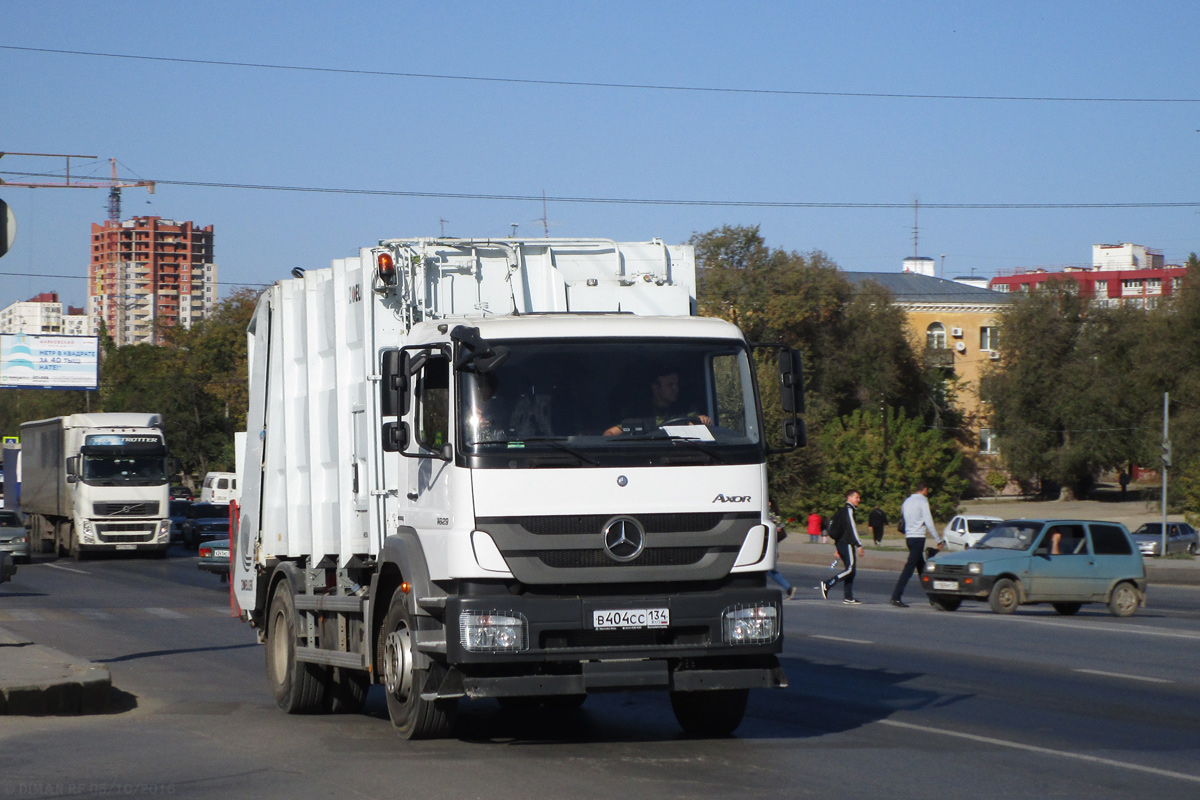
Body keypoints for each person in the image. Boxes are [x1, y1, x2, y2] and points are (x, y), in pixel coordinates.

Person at [603, 367, 711, 436]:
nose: (676, 389)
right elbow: (611, 433)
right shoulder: (639, 413)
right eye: (670, 385)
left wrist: (701, 421)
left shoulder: (685, 409)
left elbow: (696, 426)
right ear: (656, 387)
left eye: (676, 384)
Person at [890, 480, 945, 607]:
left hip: (909, 537)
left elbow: (903, 519)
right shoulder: (923, 501)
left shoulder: (907, 501)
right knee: (909, 568)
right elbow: (929, 522)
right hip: (918, 537)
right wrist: (938, 539)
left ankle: (932, 597)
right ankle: (896, 596)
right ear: (925, 489)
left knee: (921, 568)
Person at [819, 489, 864, 604]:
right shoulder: (848, 510)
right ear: (850, 498)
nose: (859, 500)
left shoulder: (843, 510)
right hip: (847, 542)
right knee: (850, 569)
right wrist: (859, 545)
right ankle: (828, 583)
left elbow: (842, 529)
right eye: (857, 497)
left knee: (851, 571)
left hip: (841, 543)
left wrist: (838, 549)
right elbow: (851, 528)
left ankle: (848, 597)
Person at [767, 500, 796, 600]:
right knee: (767, 570)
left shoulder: (770, 514)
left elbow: (778, 528)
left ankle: (788, 588)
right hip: (770, 543)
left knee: (769, 570)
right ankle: (788, 588)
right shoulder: (772, 513)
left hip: (770, 543)